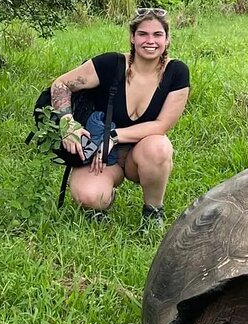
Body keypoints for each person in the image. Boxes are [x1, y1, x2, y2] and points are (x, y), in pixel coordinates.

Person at [50, 8, 190, 228]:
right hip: (100, 153)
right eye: (143, 34)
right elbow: (61, 84)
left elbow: (161, 125)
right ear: (132, 38)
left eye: (157, 35)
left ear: (167, 39)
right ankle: (102, 200)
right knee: (88, 196)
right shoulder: (110, 64)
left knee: (159, 147)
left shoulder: (177, 72)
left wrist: (114, 136)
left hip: (140, 153)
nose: (150, 41)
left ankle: (153, 211)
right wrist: (67, 122)